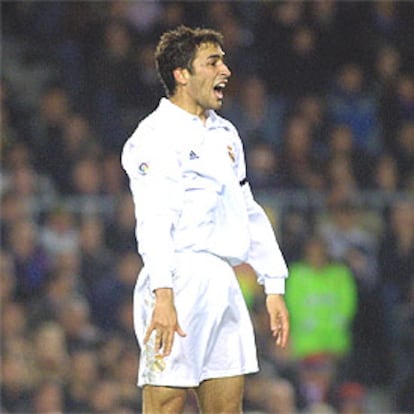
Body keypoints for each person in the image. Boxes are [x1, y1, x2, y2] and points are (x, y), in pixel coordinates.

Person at [121, 25, 289, 413]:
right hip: (178, 279)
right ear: (182, 74)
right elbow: (153, 217)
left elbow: (247, 208)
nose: (225, 71)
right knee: (166, 403)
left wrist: (273, 283)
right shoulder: (154, 136)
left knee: (228, 407)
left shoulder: (226, 134)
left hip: (222, 280)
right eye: (213, 62)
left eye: (224, 61)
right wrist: (163, 292)